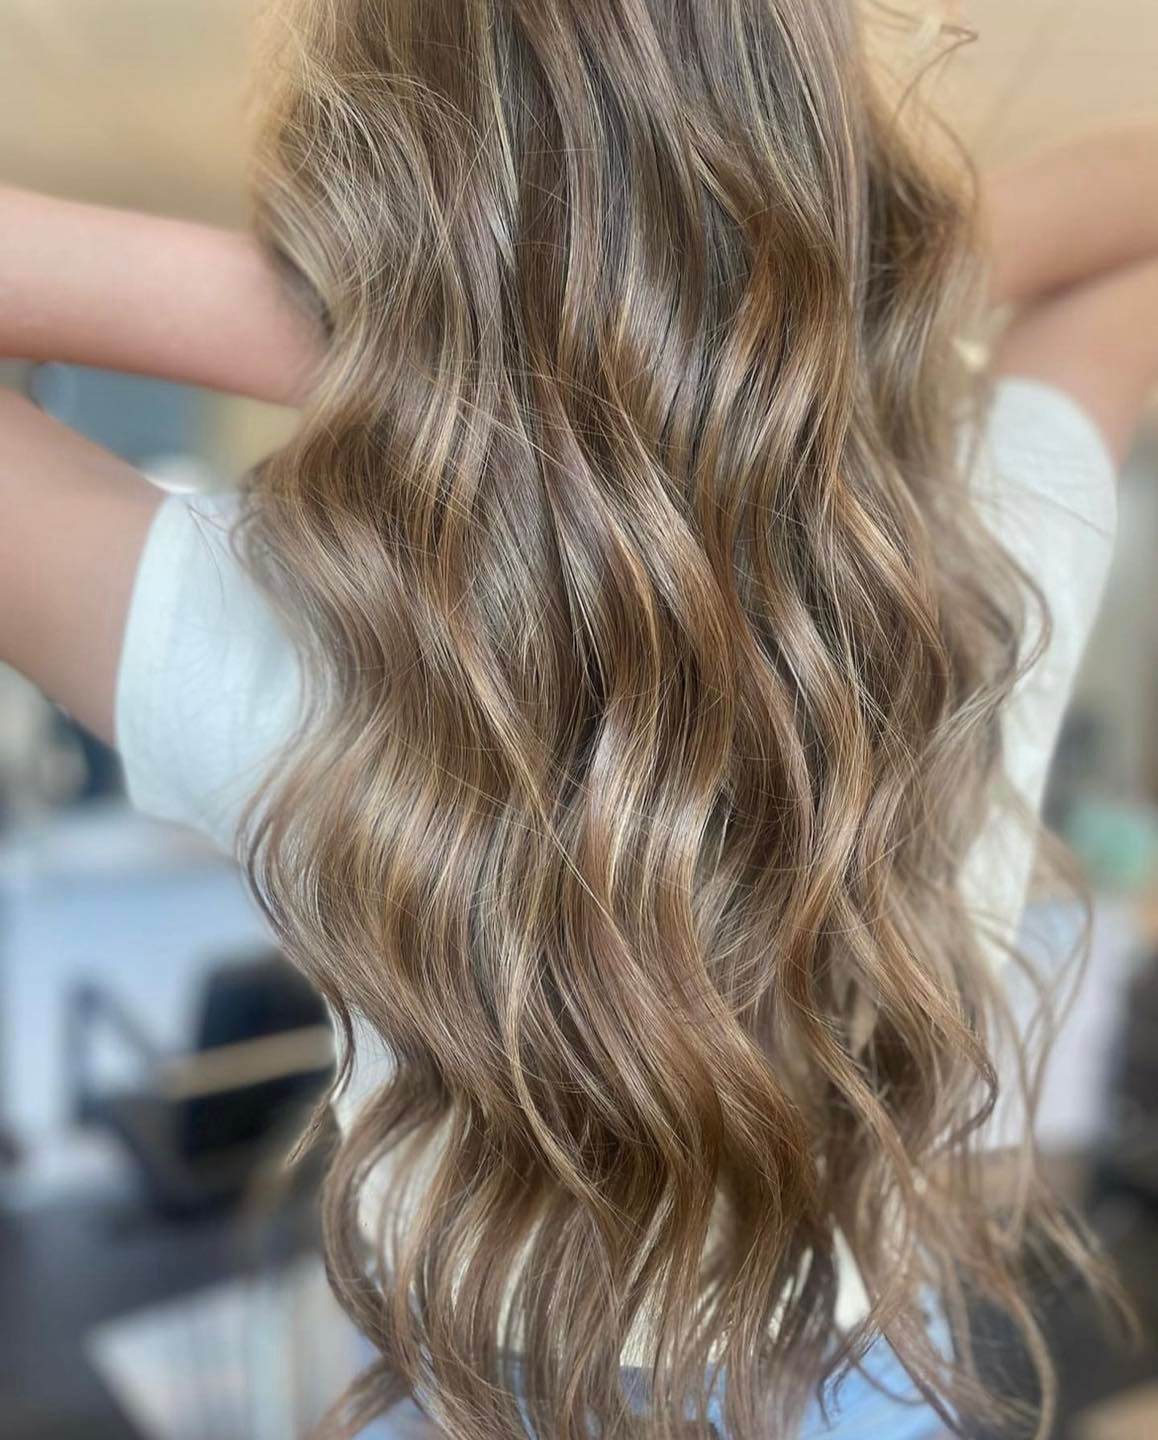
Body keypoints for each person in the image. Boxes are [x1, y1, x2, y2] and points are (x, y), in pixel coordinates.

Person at [0, 2, 1154, 1436]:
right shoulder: (991, 543)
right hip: (871, 1391)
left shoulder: (277, 630)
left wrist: (423, 351)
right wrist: (785, 342)